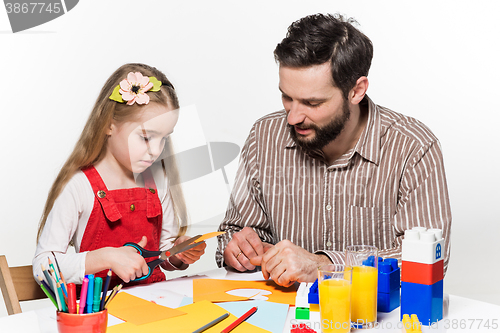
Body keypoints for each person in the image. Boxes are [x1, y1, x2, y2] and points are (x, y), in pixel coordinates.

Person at [216, 14, 452, 287]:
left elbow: (429, 262)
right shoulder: (264, 136)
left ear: (356, 91)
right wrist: (238, 250)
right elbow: (231, 235)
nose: (292, 118)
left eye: (312, 103)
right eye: (286, 97)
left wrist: (324, 266)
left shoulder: (413, 146)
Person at [33, 63, 206, 286]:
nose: (156, 150)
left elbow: (163, 254)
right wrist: (106, 257)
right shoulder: (79, 186)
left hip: (154, 308)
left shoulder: (158, 182)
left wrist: (179, 254)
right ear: (109, 125)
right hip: (101, 313)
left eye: (164, 138)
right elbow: (42, 267)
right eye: (146, 137)